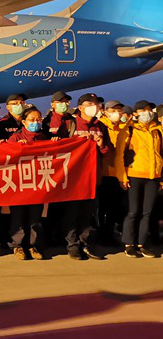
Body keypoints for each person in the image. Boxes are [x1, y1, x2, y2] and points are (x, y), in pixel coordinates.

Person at [60, 93, 112, 260]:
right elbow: (59, 148)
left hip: (93, 177)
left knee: (87, 214)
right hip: (74, 179)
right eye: (89, 104)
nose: (94, 107)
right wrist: (77, 141)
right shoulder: (70, 124)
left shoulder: (101, 126)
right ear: (80, 107)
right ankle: (72, 245)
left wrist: (101, 144)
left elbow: (107, 150)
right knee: (72, 213)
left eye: (95, 104)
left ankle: (85, 243)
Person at [6, 107, 54, 260]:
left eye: (39, 119)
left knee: (35, 217)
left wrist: (54, 143)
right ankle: (17, 246)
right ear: (24, 122)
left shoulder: (43, 137)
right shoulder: (15, 137)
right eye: (32, 120)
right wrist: (17, 148)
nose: (36, 122)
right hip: (19, 184)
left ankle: (33, 245)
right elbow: (5, 157)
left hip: (38, 184)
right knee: (18, 216)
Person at [117, 100, 162, 258]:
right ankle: (129, 244)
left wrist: (161, 178)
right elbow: (119, 155)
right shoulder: (129, 129)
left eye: (149, 110)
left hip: (153, 176)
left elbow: (161, 154)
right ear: (136, 113)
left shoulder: (157, 131)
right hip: (134, 175)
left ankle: (141, 243)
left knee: (147, 212)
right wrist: (122, 176)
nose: (147, 113)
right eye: (143, 110)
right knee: (133, 211)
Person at [99, 100, 129, 244]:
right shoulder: (101, 126)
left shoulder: (125, 128)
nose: (116, 113)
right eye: (113, 110)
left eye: (119, 110)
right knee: (103, 207)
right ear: (106, 112)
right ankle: (102, 235)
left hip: (119, 173)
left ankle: (110, 235)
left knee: (115, 207)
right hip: (104, 172)